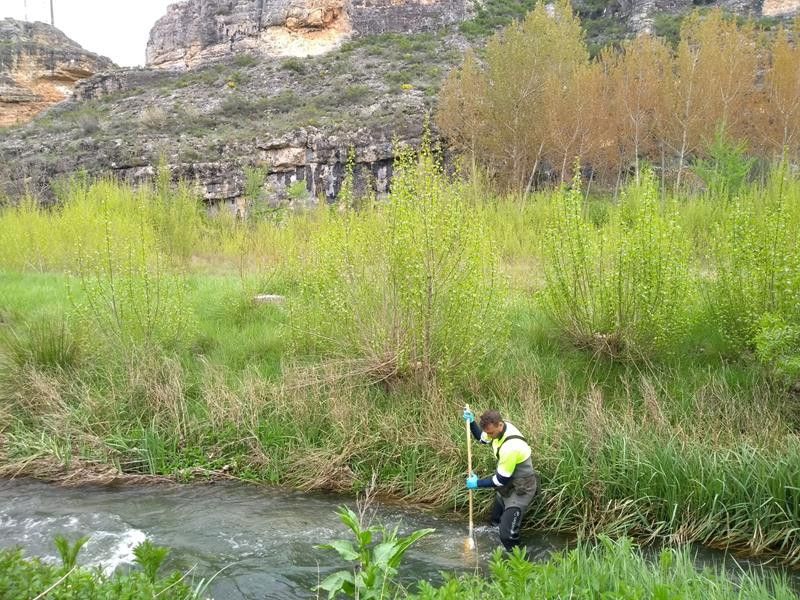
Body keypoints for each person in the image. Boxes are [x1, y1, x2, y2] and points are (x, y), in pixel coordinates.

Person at [462, 408, 539, 551]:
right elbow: (482, 438)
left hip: (522, 488)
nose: (489, 436)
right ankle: (495, 541)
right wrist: (472, 423)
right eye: (487, 433)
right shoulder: (495, 431)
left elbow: (500, 480)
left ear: (500, 425)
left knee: (507, 536)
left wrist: (477, 483)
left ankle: (518, 560)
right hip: (507, 484)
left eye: (491, 433)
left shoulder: (511, 447)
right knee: (494, 523)